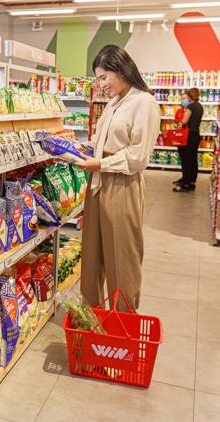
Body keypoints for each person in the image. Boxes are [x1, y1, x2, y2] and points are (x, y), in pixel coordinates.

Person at [74, 45, 160, 311]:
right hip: (98, 182)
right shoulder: (113, 103)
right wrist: (81, 146)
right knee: (91, 255)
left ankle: (122, 324)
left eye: (103, 77)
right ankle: (91, 320)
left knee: (122, 258)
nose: (100, 85)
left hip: (121, 184)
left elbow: (138, 155)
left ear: (121, 70)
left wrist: (100, 163)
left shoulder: (144, 102)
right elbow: (105, 141)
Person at [173, 88, 204, 193]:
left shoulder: (191, 106)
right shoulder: (200, 106)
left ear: (191, 96)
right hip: (196, 134)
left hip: (189, 135)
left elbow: (185, 121)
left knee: (187, 159)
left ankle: (186, 183)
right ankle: (192, 182)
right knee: (193, 159)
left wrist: (179, 123)